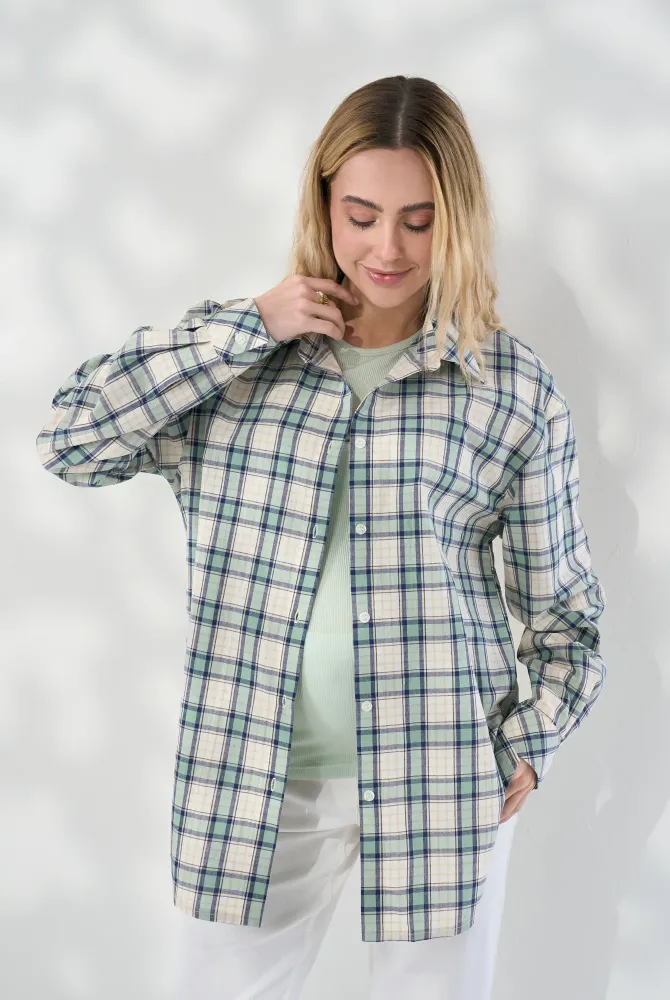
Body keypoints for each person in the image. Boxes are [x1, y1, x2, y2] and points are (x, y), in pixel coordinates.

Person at [36, 75, 607, 999]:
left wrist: (528, 744)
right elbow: (72, 441)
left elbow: (566, 615)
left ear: (457, 219)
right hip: (253, 777)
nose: (388, 248)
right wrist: (247, 327)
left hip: (439, 777)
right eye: (363, 215)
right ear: (324, 203)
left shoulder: (507, 387)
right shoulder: (238, 365)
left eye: (419, 220)